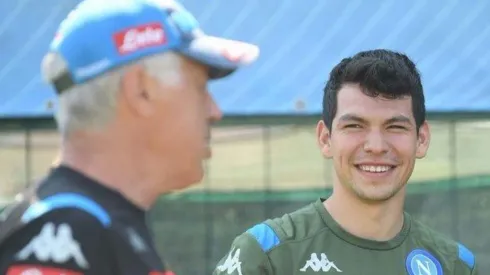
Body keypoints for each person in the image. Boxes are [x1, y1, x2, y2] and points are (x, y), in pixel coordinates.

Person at [0, 0, 259, 274]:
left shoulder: (91, 226)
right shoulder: (66, 235)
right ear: (141, 90)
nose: (215, 111)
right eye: (199, 88)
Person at [212, 50, 479, 275]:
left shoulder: (455, 265)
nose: (375, 146)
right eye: (355, 126)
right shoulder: (267, 255)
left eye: (395, 127)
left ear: (421, 139)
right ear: (326, 138)